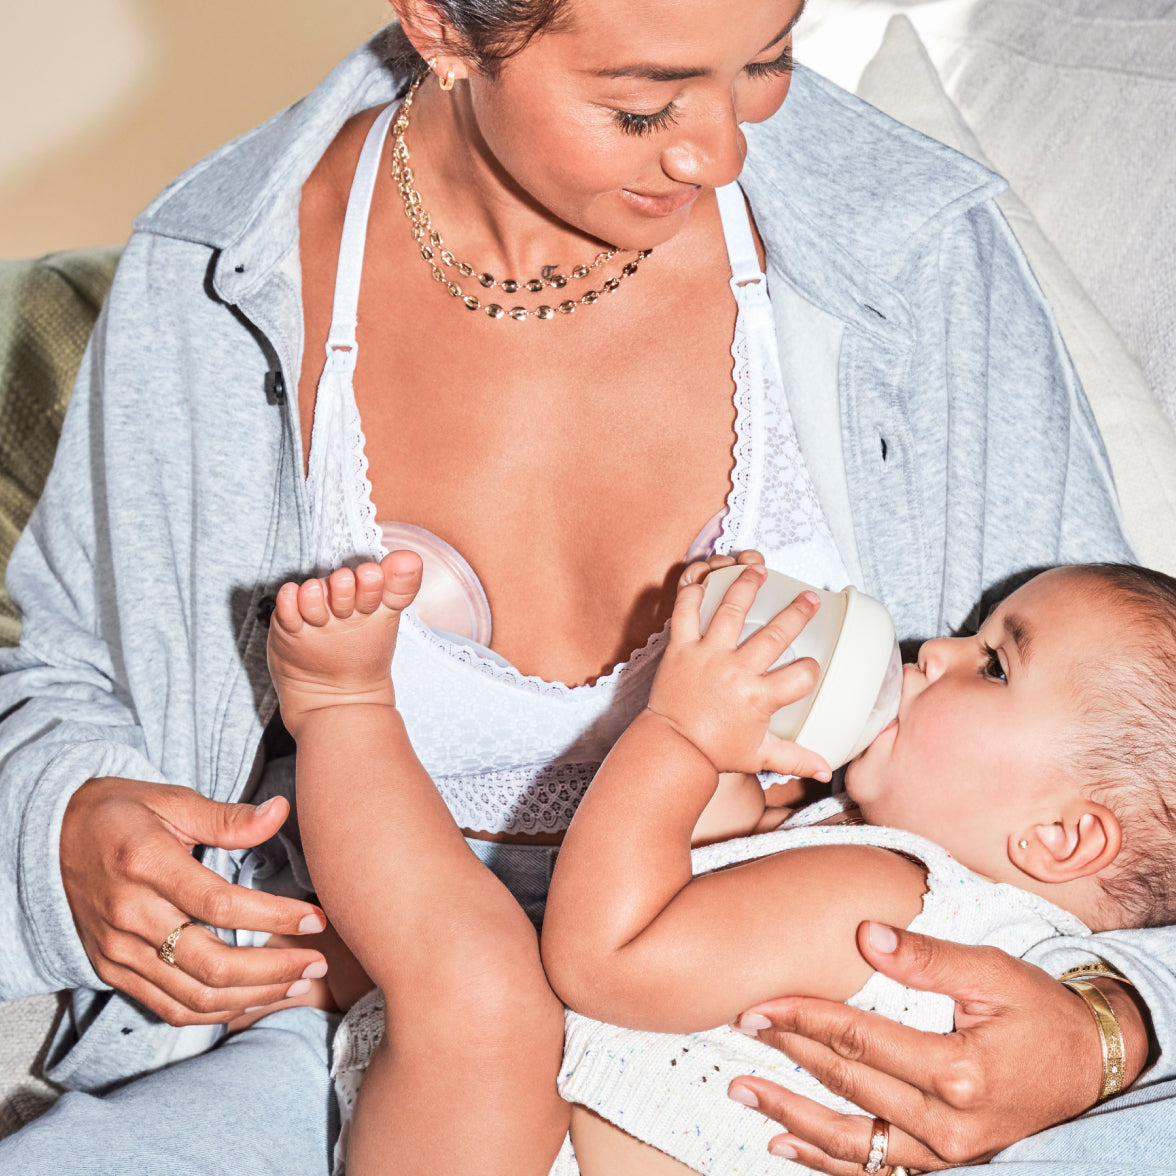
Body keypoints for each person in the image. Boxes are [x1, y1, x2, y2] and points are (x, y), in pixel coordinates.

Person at [0, 0, 1167, 1170]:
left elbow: (1129, 772)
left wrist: (1108, 1032)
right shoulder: (211, 281)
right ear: (443, 28)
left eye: (767, 60)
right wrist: (62, 831)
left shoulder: (914, 252)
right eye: (642, 103)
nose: (720, 151)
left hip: (811, 1045)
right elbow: (64, 676)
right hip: (352, 1016)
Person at [265, 552, 1175, 1176]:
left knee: (478, 982)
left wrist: (682, 732)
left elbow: (603, 957)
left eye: (994, 665)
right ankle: (301, 955)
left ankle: (342, 709)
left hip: (515, 1148)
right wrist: (736, 740)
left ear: (1062, 838)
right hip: (531, 1133)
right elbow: (702, 858)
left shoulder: (888, 895)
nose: (936, 651)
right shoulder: (991, 943)